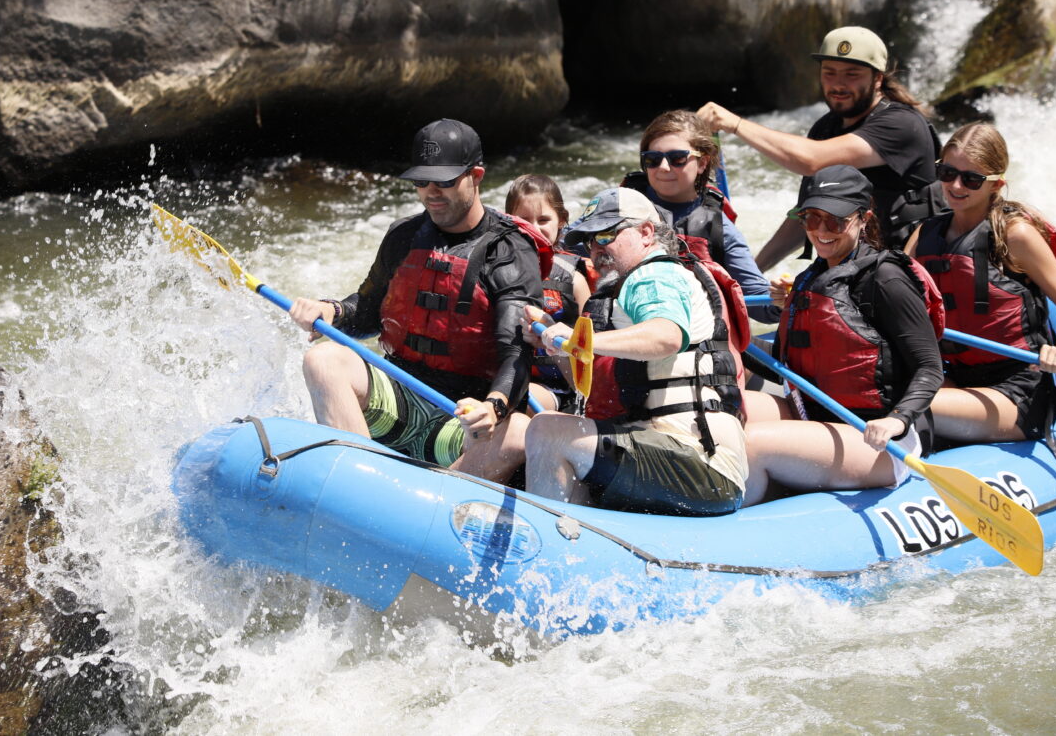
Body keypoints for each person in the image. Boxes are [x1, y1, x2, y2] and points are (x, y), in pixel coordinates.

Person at [288, 119, 548, 483]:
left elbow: (517, 351)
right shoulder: (404, 236)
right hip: (401, 401)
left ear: (476, 175)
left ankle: (430, 503)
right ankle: (362, 483)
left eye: (443, 181)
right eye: (420, 182)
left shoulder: (508, 251)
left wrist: (494, 407)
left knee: (519, 431)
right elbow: (367, 312)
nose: (430, 192)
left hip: (463, 419)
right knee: (323, 359)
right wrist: (330, 310)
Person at [522, 188, 749, 516]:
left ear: (645, 232)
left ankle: (543, 551)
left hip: (699, 461)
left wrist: (579, 339)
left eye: (606, 234)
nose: (597, 248)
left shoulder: (654, 274)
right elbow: (587, 385)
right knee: (562, 430)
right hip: (662, 450)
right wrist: (555, 344)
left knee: (547, 431)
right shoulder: (624, 291)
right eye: (590, 240)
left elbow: (667, 336)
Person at [742, 165, 944, 507]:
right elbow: (785, 368)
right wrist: (730, 332)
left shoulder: (887, 279)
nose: (821, 231)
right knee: (716, 410)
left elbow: (930, 367)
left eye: (834, 221)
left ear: (863, 218)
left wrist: (896, 421)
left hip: (877, 438)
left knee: (752, 442)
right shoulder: (813, 276)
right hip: (813, 415)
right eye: (811, 218)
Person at [696, 26, 946, 270]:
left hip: (908, 272)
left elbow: (811, 160)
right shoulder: (825, 128)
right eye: (830, 73)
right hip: (855, 271)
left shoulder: (901, 124)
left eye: (852, 74)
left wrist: (736, 124)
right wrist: (753, 272)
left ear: (877, 79)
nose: (838, 84)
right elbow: (804, 216)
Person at [906, 123, 1056, 450]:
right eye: (947, 173)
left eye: (971, 179)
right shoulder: (925, 235)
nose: (956, 185)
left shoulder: (1015, 236)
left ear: (996, 184)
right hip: (955, 377)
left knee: (909, 404)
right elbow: (887, 298)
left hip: (1018, 390)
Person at [620, 109, 774, 320]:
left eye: (677, 158)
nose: (663, 167)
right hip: (622, 328)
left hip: (692, 339)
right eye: (653, 159)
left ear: (702, 163)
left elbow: (758, 303)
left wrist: (783, 299)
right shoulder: (617, 204)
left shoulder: (719, 228)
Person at [505, 173, 592, 412]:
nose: (533, 229)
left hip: (557, 389)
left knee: (517, 395)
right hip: (502, 376)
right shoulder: (494, 269)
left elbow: (591, 353)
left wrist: (551, 342)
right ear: (507, 221)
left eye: (543, 220)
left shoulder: (574, 281)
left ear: (561, 221)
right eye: (523, 220)